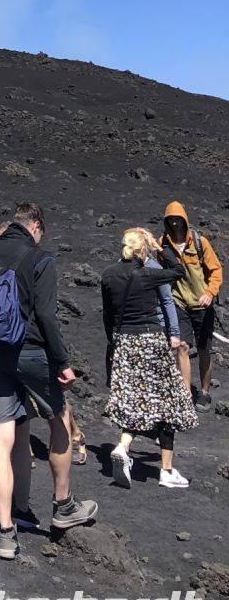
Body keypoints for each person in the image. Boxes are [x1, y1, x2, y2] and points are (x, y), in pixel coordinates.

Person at [0, 203, 97, 559]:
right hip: (32, 353)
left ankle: (5, 531)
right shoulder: (40, 259)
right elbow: (46, 315)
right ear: (36, 226)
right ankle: (64, 506)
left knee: (1, 436)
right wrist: (63, 362)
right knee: (59, 419)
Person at [103, 228, 195, 490]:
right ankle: (166, 470)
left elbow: (107, 316)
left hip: (124, 342)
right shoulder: (148, 274)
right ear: (144, 248)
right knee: (167, 403)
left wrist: (114, 343)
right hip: (151, 341)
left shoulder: (108, 274)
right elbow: (179, 271)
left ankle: (123, 446)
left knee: (134, 401)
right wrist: (161, 246)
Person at [161, 201, 221, 406]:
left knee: (204, 348)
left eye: (178, 219)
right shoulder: (163, 245)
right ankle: (185, 395)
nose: (175, 223)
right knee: (183, 346)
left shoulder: (199, 242)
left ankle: (204, 392)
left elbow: (215, 270)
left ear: (185, 220)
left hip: (202, 304)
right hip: (179, 303)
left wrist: (210, 292)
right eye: (171, 220)